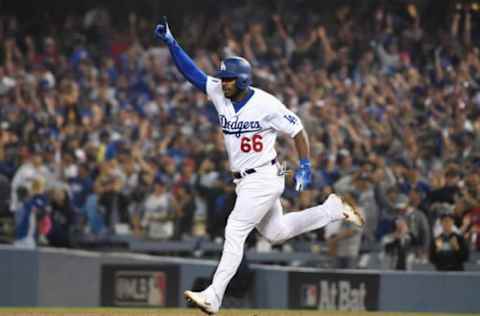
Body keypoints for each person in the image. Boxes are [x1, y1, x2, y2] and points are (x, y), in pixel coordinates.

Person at [154, 17, 364, 315]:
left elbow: (298, 130)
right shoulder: (219, 92)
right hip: (246, 179)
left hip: (264, 176)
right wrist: (172, 44)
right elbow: (194, 75)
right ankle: (332, 209)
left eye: (228, 79)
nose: (222, 82)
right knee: (276, 232)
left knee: (235, 229)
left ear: (242, 81)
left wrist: (304, 164)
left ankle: (214, 296)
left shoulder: (266, 104)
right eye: (222, 78)